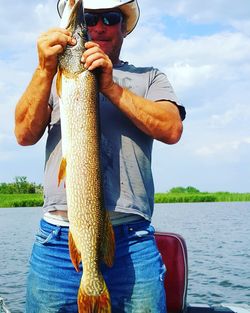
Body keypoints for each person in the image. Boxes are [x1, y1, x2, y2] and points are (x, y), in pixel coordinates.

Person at [15, 0, 186, 312]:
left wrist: (110, 86)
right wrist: (43, 70)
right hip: (56, 240)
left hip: (133, 242)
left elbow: (171, 129)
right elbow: (24, 135)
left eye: (110, 18)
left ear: (123, 26)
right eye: (90, 18)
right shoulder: (54, 79)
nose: (98, 26)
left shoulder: (149, 78)